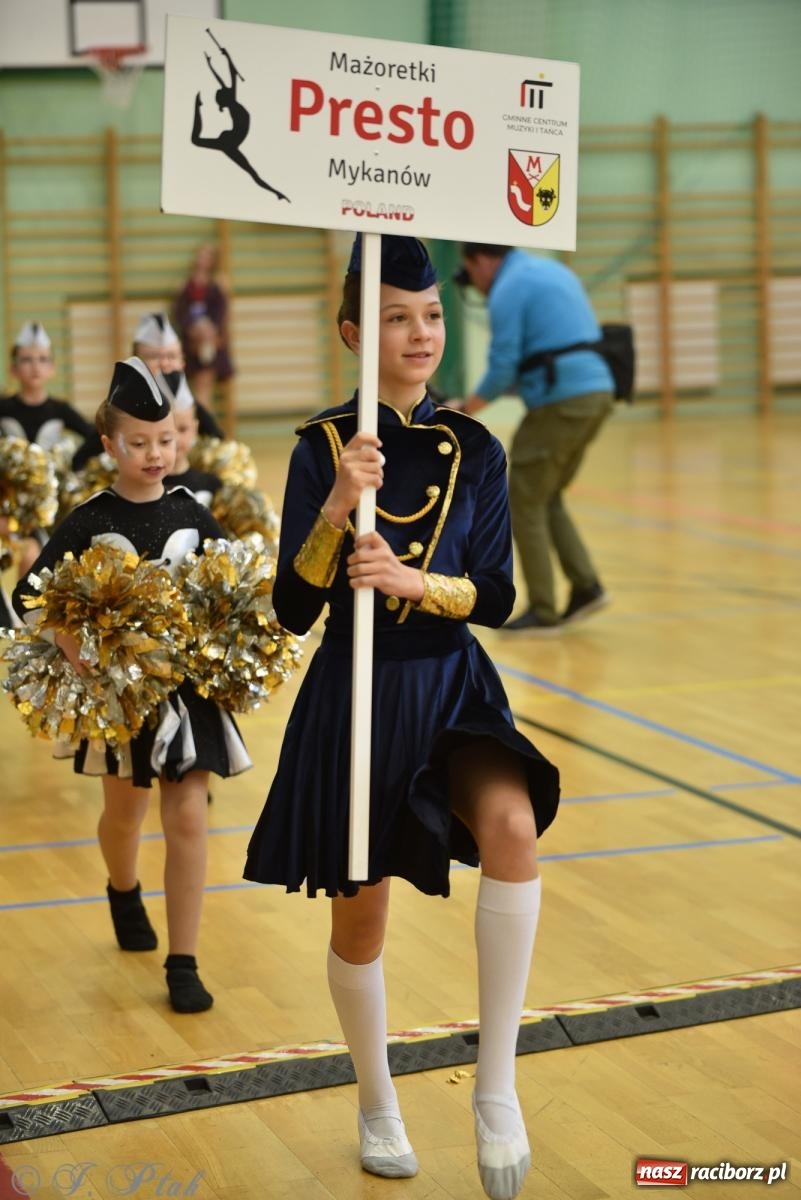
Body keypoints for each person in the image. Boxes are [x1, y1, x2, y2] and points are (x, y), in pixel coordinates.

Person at [244, 236, 560, 1200]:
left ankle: (495, 1090)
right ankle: (376, 1098)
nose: (419, 332)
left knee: (511, 828)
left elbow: (500, 595)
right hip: (356, 692)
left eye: (429, 316)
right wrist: (338, 510)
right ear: (352, 333)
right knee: (362, 915)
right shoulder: (322, 447)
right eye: (394, 317)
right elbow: (292, 612)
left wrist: (416, 581)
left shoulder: (478, 449)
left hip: (451, 683)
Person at [13, 357, 251, 1013]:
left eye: (166, 439)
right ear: (109, 444)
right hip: (117, 697)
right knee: (126, 812)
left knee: (188, 816)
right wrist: (64, 634)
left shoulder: (195, 514)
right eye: (138, 442)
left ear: (181, 438)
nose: (155, 453)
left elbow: (237, 586)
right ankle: (122, 888)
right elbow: (25, 596)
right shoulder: (88, 517)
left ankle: (184, 961)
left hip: (187, 693)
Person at [457, 244, 615, 633]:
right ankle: (585, 586)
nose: (477, 288)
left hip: (561, 401)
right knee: (546, 496)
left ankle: (543, 611)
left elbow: (503, 364)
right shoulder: (548, 270)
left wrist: (464, 410)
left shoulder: (508, 287)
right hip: (596, 392)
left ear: (481, 261)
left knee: (522, 499)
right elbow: (543, 353)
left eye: (471, 275)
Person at [71, 312, 224, 472]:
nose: (164, 364)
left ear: (182, 362)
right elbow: (81, 461)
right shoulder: (119, 412)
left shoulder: (190, 407)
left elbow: (221, 447)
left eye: (171, 356)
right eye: (154, 356)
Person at [1, 322, 95, 573]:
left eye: (42, 359)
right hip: (10, 506)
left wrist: (73, 464)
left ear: (52, 368)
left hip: (50, 505)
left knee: (43, 560)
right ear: (13, 368)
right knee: (24, 555)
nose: (35, 366)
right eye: (26, 360)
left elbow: (95, 437)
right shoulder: (4, 408)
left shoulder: (59, 409)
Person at [173, 246, 236, 412]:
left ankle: (204, 427)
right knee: (190, 389)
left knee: (204, 387)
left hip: (210, 342)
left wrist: (210, 331)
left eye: (207, 257)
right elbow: (180, 312)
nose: (202, 260)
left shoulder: (218, 284)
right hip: (192, 342)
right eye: (200, 256)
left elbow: (222, 313)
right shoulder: (186, 285)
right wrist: (193, 329)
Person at [158, 369, 223, 505]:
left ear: (195, 429)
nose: (175, 441)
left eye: (182, 429)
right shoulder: (143, 488)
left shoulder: (211, 483)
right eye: (166, 432)